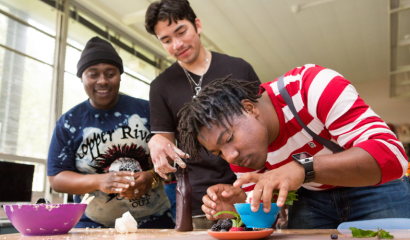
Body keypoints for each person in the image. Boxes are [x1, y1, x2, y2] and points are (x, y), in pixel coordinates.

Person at [177, 64, 410, 229]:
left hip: (376, 188)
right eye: (218, 153)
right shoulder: (242, 154)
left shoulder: (313, 87)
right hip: (312, 198)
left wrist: (303, 168)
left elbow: (393, 157)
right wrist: (239, 207)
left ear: (249, 108)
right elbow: (266, 214)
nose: (230, 157)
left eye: (228, 139)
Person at [144, 0, 260, 229]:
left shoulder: (239, 68)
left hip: (249, 193)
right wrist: (156, 141)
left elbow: (265, 125)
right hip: (199, 204)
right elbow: (167, 155)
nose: (177, 44)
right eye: (166, 40)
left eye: (181, 32)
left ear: (197, 24)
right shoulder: (161, 86)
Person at [47, 36, 174, 229]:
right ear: (81, 77)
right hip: (92, 224)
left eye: (110, 73)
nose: (103, 81)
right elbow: (56, 178)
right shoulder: (69, 123)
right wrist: (98, 181)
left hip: (155, 220)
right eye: (93, 74)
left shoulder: (147, 111)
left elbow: (170, 157)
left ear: (120, 75)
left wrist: (151, 177)